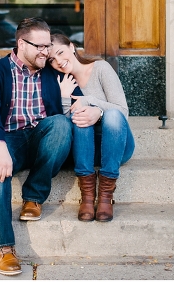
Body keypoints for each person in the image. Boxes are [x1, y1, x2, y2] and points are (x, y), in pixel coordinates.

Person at [0, 18, 72, 276]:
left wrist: (90, 108)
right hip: (8, 138)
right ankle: (3, 247)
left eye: (47, 46)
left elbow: (78, 89)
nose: (45, 52)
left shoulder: (51, 71)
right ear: (20, 44)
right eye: (39, 46)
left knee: (60, 124)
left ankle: (34, 197)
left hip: (40, 137)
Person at [48, 33, 135, 222]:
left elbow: (122, 111)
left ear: (71, 47)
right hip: (83, 150)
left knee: (109, 114)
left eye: (61, 53)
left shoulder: (100, 68)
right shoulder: (59, 82)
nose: (59, 62)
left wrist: (95, 107)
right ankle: (87, 197)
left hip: (115, 146)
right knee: (79, 117)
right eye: (52, 60)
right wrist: (64, 97)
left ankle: (105, 196)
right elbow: (62, 129)